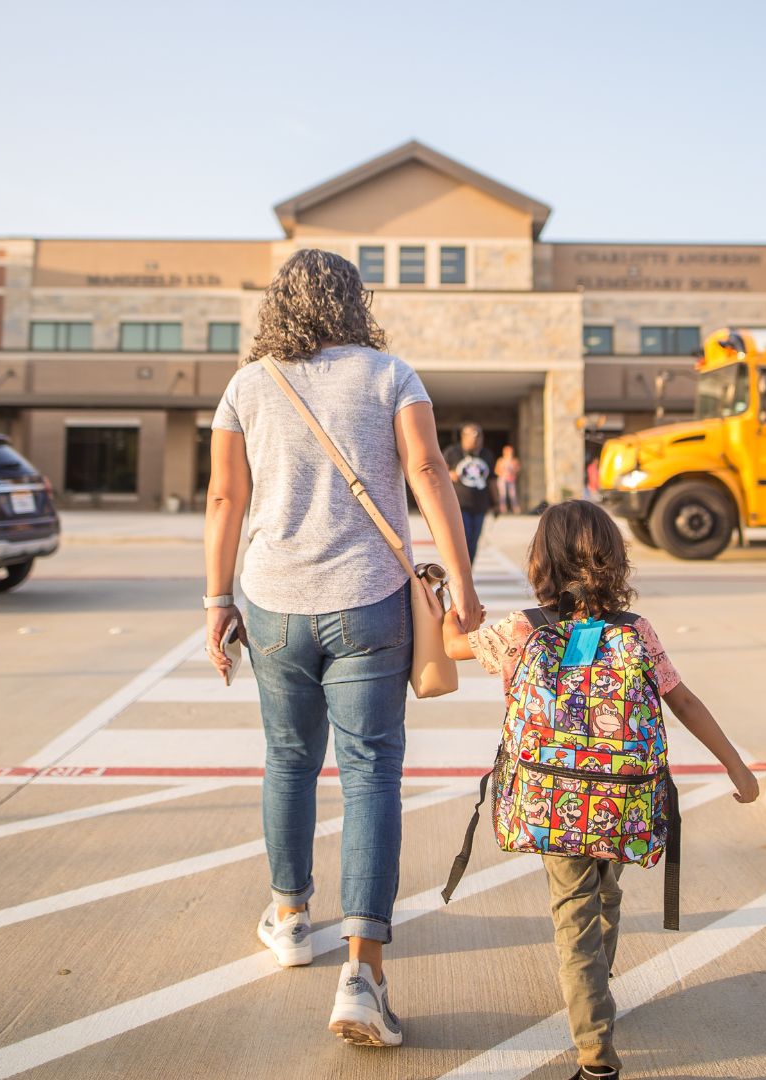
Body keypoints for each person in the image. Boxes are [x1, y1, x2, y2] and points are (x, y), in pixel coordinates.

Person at [204, 248, 482, 1049]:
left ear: (278, 305)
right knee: (370, 776)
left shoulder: (247, 384)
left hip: (274, 604)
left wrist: (217, 601)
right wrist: (459, 582)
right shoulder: (391, 373)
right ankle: (362, 975)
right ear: (353, 301)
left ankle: (290, 917)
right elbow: (428, 469)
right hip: (371, 603)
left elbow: (226, 495)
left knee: (288, 760)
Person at [440, 500, 759, 1080]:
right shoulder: (635, 632)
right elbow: (682, 700)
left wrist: (448, 613)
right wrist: (735, 766)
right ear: (614, 560)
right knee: (605, 891)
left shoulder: (522, 631)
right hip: (621, 802)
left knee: (573, 914)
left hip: (552, 804)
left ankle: (595, 1053)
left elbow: (454, 648)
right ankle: (598, 986)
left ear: (541, 561)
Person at [444, 423, 497, 562]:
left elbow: (492, 480)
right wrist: (450, 474)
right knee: (463, 539)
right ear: (463, 437)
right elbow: (438, 472)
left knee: (474, 541)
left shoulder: (487, 454)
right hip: (459, 505)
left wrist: (497, 502)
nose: (477, 439)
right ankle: (459, 570)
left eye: (479, 435)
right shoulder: (452, 452)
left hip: (480, 505)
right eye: (473, 436)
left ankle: (469, 571)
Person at [495, 443, 522, 514]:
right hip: (503, 479)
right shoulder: (501, 460)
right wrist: (504, 474)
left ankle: (515, 509)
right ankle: (503, 509)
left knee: (513, 494)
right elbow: (496, 471)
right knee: (502, 494)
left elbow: (518, 469)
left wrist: (513, 472)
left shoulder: (514, 461)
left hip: (511, 479)